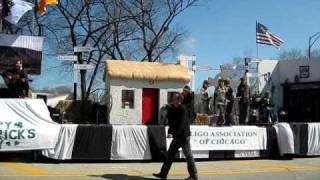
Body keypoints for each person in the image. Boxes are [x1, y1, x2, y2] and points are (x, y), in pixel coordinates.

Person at [153, 93, 198, 180]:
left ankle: (193, 175)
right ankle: (163, 174)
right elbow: (171, 122)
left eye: (174, 99)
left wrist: (173, 133)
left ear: (179, 100)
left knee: (188, 156)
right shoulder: (174, 109)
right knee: (170, 155)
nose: (172, 100)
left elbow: (181, 124)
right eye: (172, 99)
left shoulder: (183, 109)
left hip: (184, 136)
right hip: (177, 137)